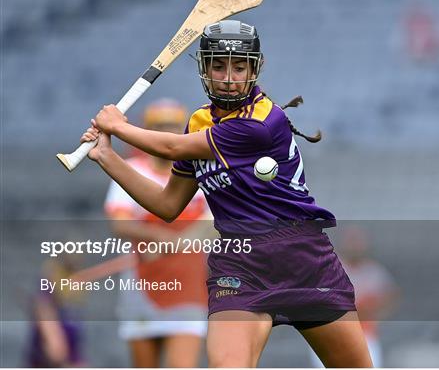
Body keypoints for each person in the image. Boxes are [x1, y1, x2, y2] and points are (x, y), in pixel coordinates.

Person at [80, 20, 373, 367]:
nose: (229, 76)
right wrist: (106, 156)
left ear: (255, 68)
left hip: (303, 260)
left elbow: (172, 147)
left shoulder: (263, 121)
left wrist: (119, 125)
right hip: (240, 265)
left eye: (239, 66)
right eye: (219, 66)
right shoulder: (199, 122)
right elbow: (168, 204)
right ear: (204, 69)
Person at [104, 99, 211, 367]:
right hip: (144, 284)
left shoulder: (200, 171)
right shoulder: (133, 170)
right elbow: (120, 223)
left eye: (175, 127)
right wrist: (159, 238)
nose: (168, 134)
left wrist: (181, 241)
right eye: (160, 127)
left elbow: (213, 221)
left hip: (189, 284)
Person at [310, 228, 399, 367]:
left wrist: (374, 313)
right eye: (351, 242)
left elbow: (390, 297)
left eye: (358, 242)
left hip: (365, 336)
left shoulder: (373, 272)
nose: (355, 246)